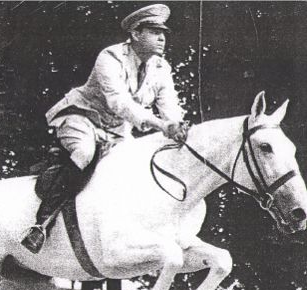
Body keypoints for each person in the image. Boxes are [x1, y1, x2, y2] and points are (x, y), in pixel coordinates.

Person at [21, 3, 186, 254]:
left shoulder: (161, 69)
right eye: (154, 31)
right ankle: (41, 225)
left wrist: (177, 125)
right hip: (82, 118)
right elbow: (118, 102)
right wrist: (162, 125)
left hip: (117, 131)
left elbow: (170, 105)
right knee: (85, 153)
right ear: (135, 34)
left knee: (136, 168)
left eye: (163, 33)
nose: (162, 37)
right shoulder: (110, 57)